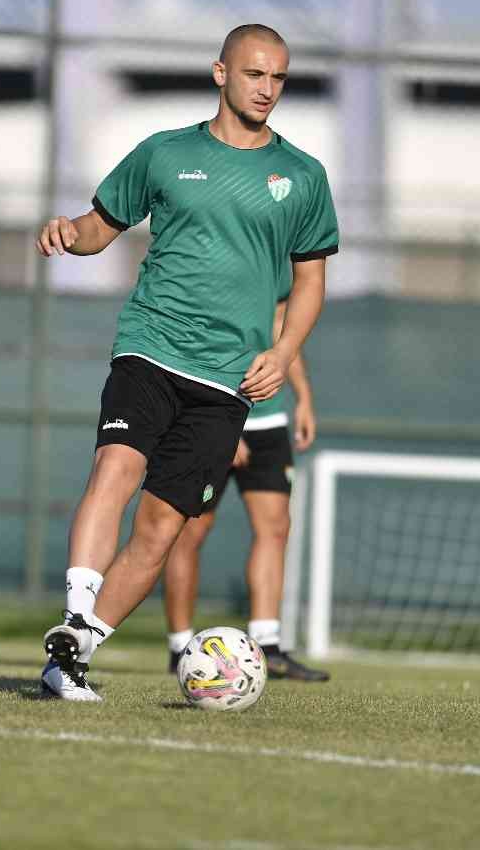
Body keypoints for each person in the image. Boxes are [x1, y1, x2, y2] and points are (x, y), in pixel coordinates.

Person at [36, 23, 339, 701]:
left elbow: (312, 282)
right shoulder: (165, 154)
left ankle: (74, 653)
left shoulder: (303, 176)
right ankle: (75, 614)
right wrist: (69, 234)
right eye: (255, 74)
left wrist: (283, 354)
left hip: (229, 381)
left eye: (279, 77)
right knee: (115, 467)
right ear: (220, 74)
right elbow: (99, 226)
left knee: (161, 530)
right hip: (152, 347)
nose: (267, 88)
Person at [160, 282, 331, 681]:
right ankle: (180, 645)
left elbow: (280, 333)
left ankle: (267, 644)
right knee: (188, 531)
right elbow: (204, 338)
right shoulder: (217, 260)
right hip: (213, 416)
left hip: (269, 422)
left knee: (274, 529)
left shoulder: (284, 266)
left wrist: (303, 396)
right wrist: (227, 428)